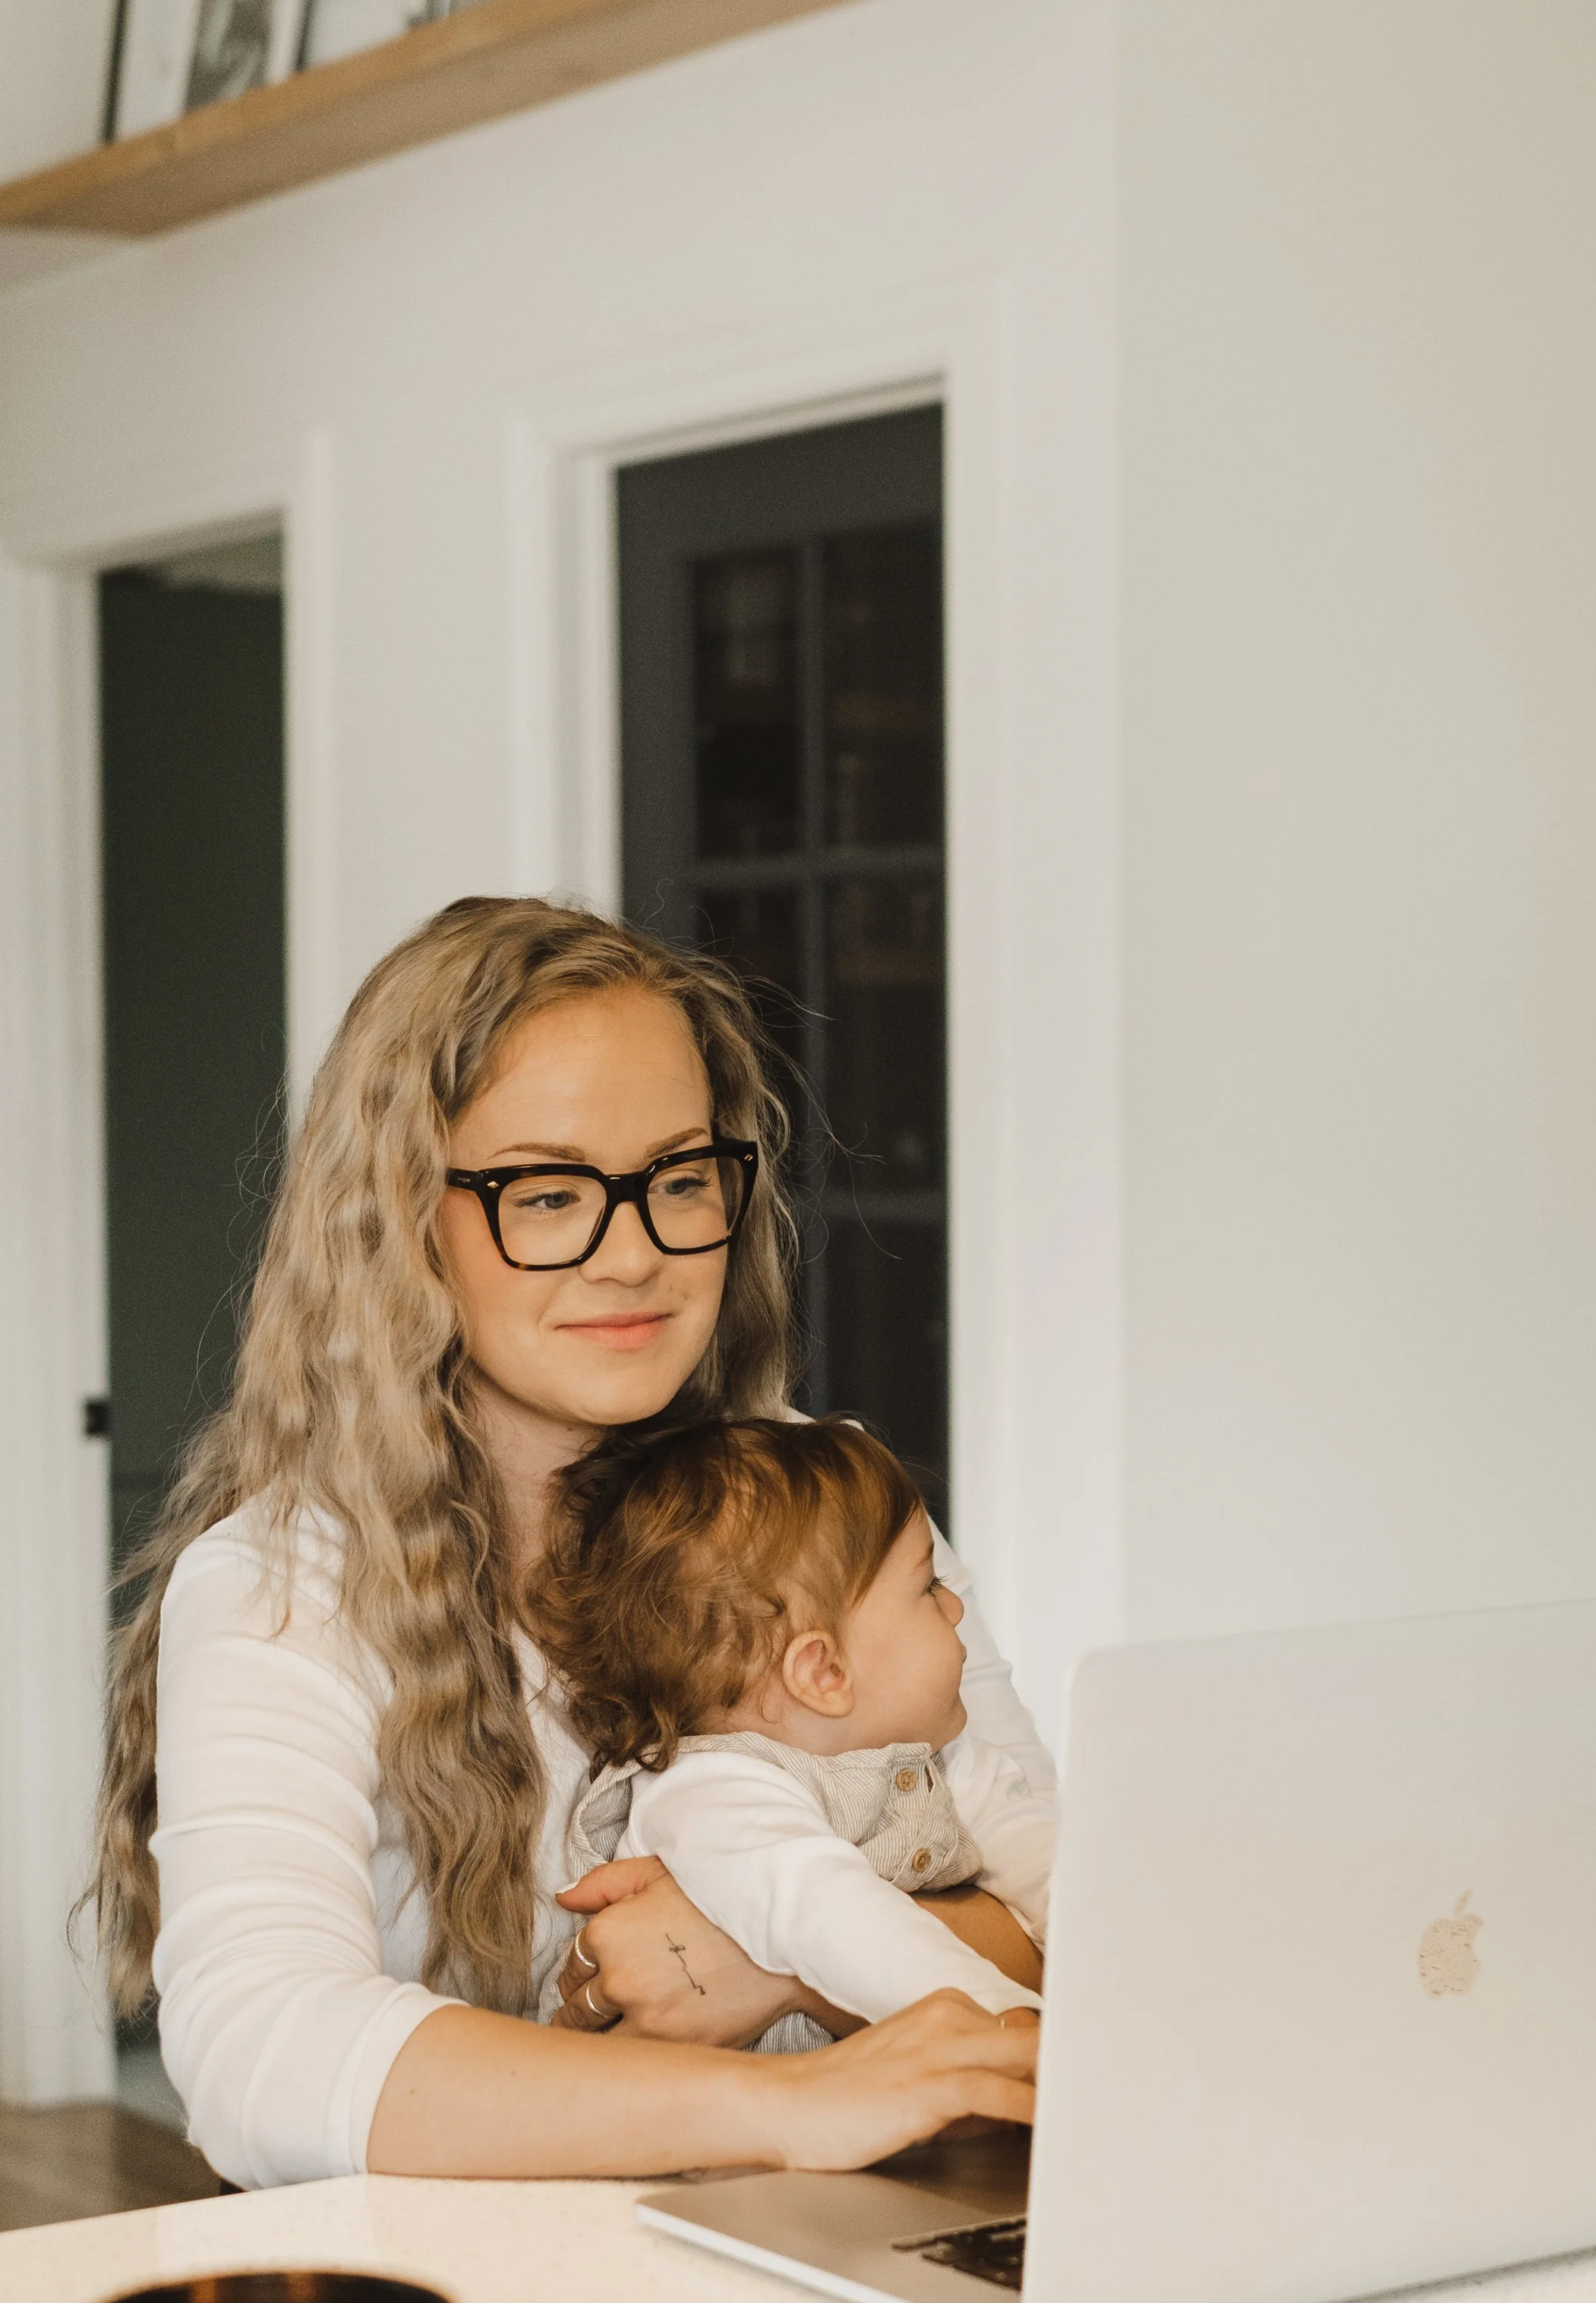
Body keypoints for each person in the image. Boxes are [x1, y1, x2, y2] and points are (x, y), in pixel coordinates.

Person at [90, 896, 1048, 2189]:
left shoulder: (843, 1509)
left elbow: (1064, 1901)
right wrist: (786, 2095)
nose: (635, 1251)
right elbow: (262, 2053)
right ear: (402, 1220)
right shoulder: (282, 1588)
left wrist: (764, 1961)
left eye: (679, 1177)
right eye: (547, 1192)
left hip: (838, 2252)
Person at [534, 1416, 1053, 2046]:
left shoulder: (936, 1754)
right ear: (824, 1671)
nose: (957, 1608)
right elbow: (836, 1921)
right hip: (713, 2138)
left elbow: (1044, 1857)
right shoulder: (711, 1793)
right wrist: (1012, 2029)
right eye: (929, 1587)